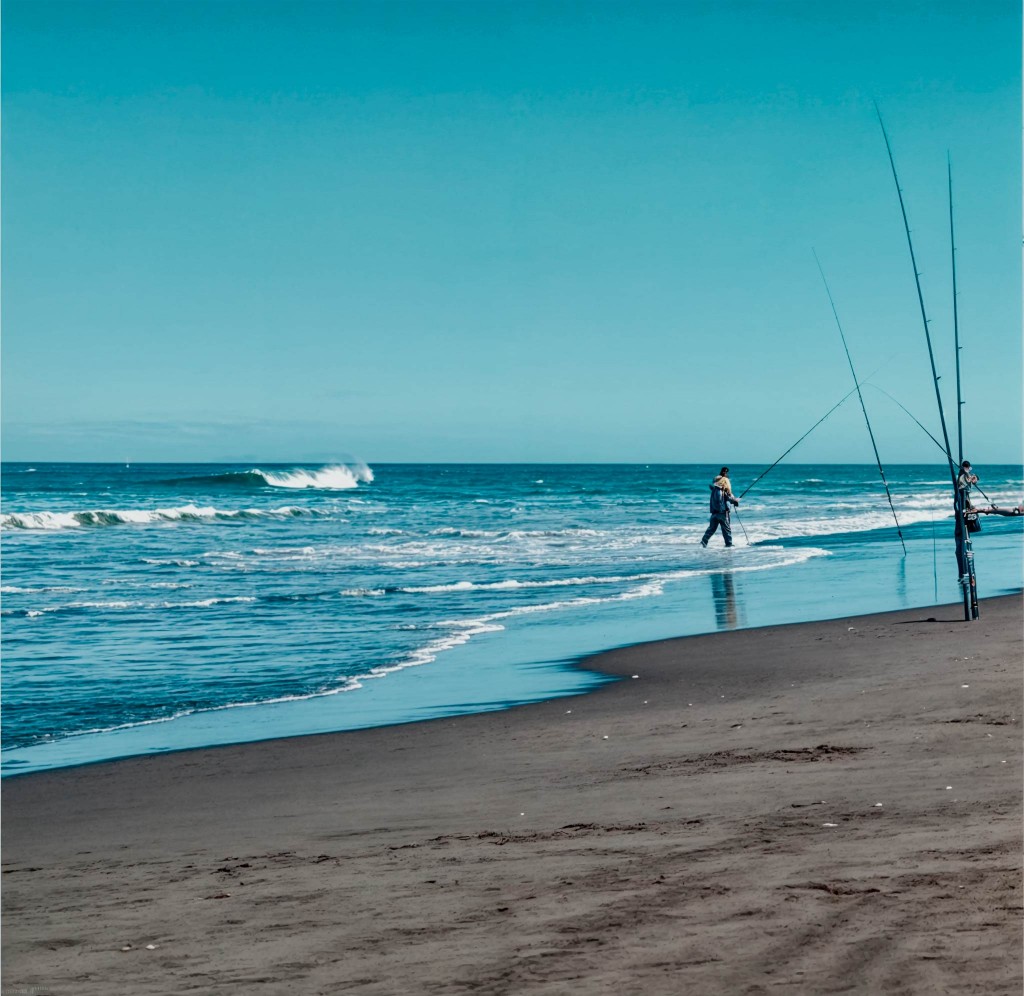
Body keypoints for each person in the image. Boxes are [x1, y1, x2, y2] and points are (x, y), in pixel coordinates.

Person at [701, 467, 740, 548]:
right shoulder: (724, 491)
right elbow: (731, 499)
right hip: (723, 514)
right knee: (726, 530)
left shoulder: (714, 490)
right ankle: (729, 545)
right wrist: (736, 501)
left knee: (711, 530)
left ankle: (703, 543)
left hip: (714, 514)